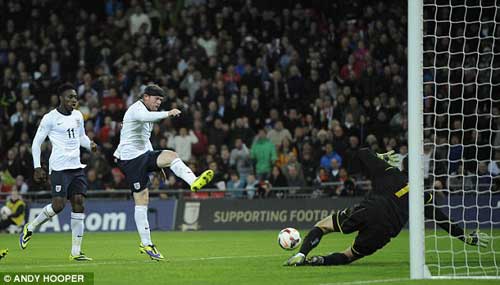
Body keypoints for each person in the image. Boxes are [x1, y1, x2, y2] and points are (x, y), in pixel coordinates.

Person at [285, 149, 490, 266]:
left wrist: (380, 156)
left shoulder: (390, 171)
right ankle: (316, 261)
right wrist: (466, 237)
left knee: (323, 226)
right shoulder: (423, 195)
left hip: (371, 208)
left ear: (403, 167)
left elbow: (361, 153)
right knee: (351, 255)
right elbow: (443, 220)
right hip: (387, 229)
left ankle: (301, 255)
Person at [113, 84, 213, 261]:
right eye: (156, 99)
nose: (159, 102)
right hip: (130, 160)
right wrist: (168, 113)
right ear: (145, 97)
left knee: (171, 155)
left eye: (161, 100)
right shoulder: (136, 110)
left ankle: (194, 181)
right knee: (141, 198)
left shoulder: (147, 114)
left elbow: (145, 140)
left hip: (143, 154)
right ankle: (146, 243)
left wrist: (156, 165)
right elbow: (147, 117)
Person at [22, 83, 97, 261]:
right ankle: (30, 227)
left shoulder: (78, 116)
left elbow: (81, 137)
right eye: (70, 97)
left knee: (79, 202)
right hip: (59, 168)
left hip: (76, 166)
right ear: (60, 98)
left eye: (75, 97)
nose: (74, 100)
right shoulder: (50, 118)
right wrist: (37, 166)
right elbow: (36, 143)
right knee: (58, 205)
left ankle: (75, 252)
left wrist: (90, 144)